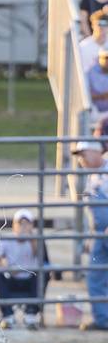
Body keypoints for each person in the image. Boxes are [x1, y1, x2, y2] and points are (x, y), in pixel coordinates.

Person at [0, 209, 45, 330]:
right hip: (10, 278)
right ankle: (8, 315)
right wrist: (5, 267)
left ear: (31, 226)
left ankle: (31, 314)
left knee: (42, 275)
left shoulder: (35, 240)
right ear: (14, 225)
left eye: (26, 223)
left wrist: (31, 237)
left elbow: (39, 256)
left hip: (30, 279)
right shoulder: (6, 239)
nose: (23, 227)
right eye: (20, 223)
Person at [73, 141, 108, 330]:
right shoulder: (90, 177)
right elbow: (91, 212)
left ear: (96, 152)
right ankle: (102, 319)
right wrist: (89, 236)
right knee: (95, 277)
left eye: (83, 154)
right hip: (98, 234)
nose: (81, 160)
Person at [87, 48, 108, 115]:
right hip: (95, 113)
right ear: (99, 58)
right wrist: (102, 96)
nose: (107, 61)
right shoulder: (91, 72)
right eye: (105, 58)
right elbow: (87, 96)